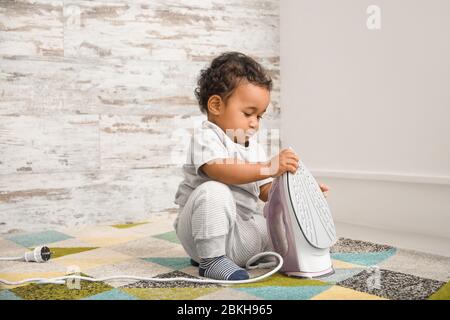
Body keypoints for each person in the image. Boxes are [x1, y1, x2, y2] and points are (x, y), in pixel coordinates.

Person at [173, 52, 329, 281]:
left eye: (260, 116)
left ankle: (255, 256)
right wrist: (267, 167)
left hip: (239, 233)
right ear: (216, 105)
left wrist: (301, 194)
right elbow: (219, 170)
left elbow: (267, 192)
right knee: (214, 191)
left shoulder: (254, 148)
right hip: (199, 229)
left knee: (275, 226)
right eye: (248, 113)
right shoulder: (206, 136)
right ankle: (210, 260)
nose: (255, 123)